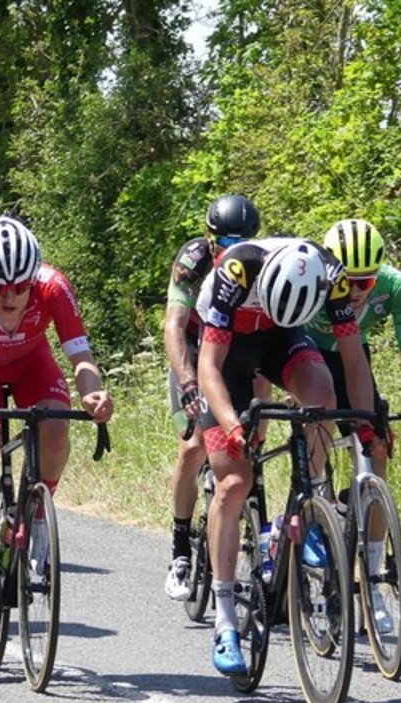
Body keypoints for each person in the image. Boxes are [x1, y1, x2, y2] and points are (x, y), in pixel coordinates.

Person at [196, 237, 378, 675]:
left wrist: (367, 423)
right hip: (226, 350)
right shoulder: (236, 271)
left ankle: (304, 506)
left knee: (322, 397)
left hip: (282, 339)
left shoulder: (330, 274)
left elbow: (353, 358)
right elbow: (209, 367)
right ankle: (225, 621)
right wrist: (233, 426)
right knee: (234, 483)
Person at [0, 217, 113, 630]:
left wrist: (93, 393)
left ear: (33, 278)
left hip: (31, 365)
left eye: (20, 286)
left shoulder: (54, 287)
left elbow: (81, 358)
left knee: (55, 428)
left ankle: (36, 511)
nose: (9, 295)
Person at [162, 194, 268, 601]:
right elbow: (174, 325)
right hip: (194, 348)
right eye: (223, 244)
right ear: (209, 239)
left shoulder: (261, 260)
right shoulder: (193, 260)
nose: (231, 252)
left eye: (240, 243)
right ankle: (180, 548)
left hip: (237, 348)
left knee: (252, 439)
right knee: (193, 446)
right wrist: (188, 381)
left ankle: (258, 546)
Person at [308, 218, 400, 634]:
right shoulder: (312, 280)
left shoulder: (395, 287)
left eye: (368, 281)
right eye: (350, 280)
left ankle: (375, 582)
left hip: (354, 358)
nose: (359, 291)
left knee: (376, 450)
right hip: (308, 355)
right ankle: (317, 509)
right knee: (317, 431)